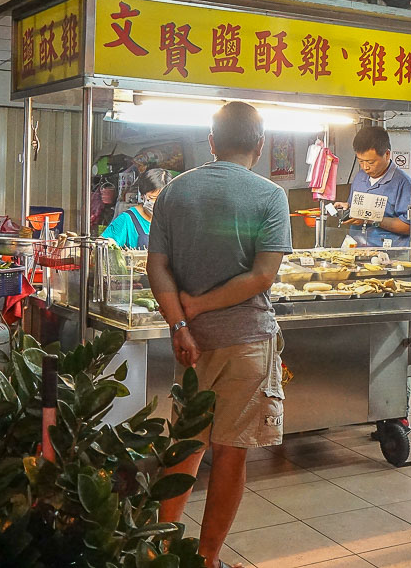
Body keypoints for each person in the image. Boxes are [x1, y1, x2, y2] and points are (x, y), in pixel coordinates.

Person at [147, 101, 292, 568]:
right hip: (248, 341)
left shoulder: (174, 193)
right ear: (260, 144)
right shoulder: (270, 196)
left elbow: (157, 265)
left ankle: (162, 550)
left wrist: (181, 321)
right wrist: (200, 305)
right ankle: (207, 559)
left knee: (186, 446)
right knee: (231, 455)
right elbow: (262, 277)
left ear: (211, 143)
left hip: (191, 345)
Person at [334, 125, 411, 247]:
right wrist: (347, 208)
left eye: (371, 162)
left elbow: (410, 226)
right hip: (357, 251)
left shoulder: (403, 183)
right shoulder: (360, 177)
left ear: (387, 154)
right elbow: (356, 208)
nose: (365, 167)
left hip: (389, 256)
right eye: (360, 161)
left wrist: (369, 219)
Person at [100, 168, 171, 249]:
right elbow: (102, 246)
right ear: (142, 195)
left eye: (162, 200)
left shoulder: (170, 221)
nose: (157, 203)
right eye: (152, 198)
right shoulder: (126, 219)